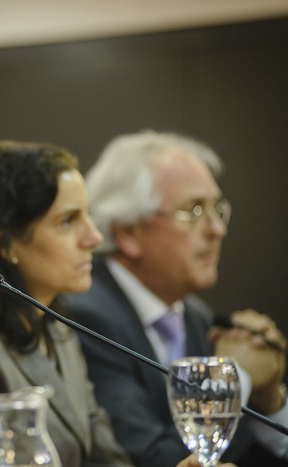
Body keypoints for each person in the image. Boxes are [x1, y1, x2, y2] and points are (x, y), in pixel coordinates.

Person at [63, 129, 288, 465]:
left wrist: (269, 399)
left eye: (217, 209)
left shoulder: (195, 314)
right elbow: (150, 455)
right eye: (194, 211)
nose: (217, 230)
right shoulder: (84, 314)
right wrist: (234, 378)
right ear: (129, 232)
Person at [0, 140, 133, 466]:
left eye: (88, 216)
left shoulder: (56, 325)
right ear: (4, 243)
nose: (94, 238)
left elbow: (106, 456)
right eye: (68, 221)